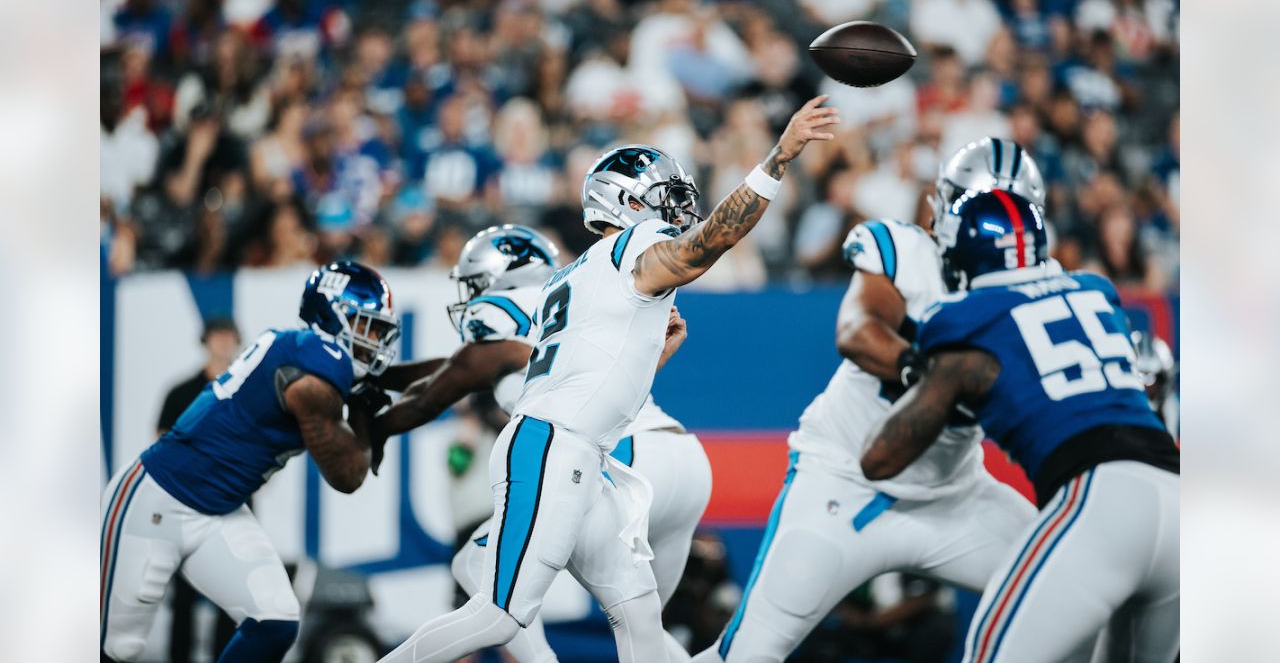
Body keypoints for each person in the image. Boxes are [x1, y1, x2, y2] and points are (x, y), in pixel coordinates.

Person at [377, 96, 839, 663]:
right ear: (624, 203)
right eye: (664, 199)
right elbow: (712, 241)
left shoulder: (578, 275)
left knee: (641, 621)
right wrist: (777, 159)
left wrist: (653, 354)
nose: (676, 213)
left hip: (577, 451)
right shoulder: (629, 248)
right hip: (555, 447)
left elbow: (588, 375)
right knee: (498, 614)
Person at [692, 138, 1041, 663]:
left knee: (1085, 597)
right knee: (746, 655)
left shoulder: (1038, 286)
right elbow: (857, 330)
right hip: (845, 485)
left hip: (957, 495)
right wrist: (936, 377)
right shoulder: (908, 250)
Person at [860, 190, 1180, 663]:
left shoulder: (966, 322)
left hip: (1101, 496)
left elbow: (879, 459)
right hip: (1177, 498)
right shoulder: (1093, 291)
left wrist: (927, 377)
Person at [370, 224, 712, 662]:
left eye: (475, 283)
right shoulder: (580, 291)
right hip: (680, 460)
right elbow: (464, 366)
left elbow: (462, 371)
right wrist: (386, 379)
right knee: (641, 625)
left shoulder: (504, 308)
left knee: (483, 581)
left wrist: (379, 422)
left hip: (616, 458)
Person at [101, 261, 400, 662]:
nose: (376, 339)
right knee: (116, 648)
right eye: (369, 326)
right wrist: (366, 420)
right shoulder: (311, 369)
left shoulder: (304, 355)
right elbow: (348, 476)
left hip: (220, 510)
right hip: (157, 501)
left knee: (274, 620)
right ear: (334, 315)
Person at [155, 317, 243, 663]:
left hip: (233, 509)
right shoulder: (182, 392)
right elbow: (162, 446)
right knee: (186, 596)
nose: (222, 343)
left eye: (228, 336)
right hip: (189, 508)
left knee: (231, 596)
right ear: (206, 341)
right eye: (217, 336)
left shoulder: (248, 393)